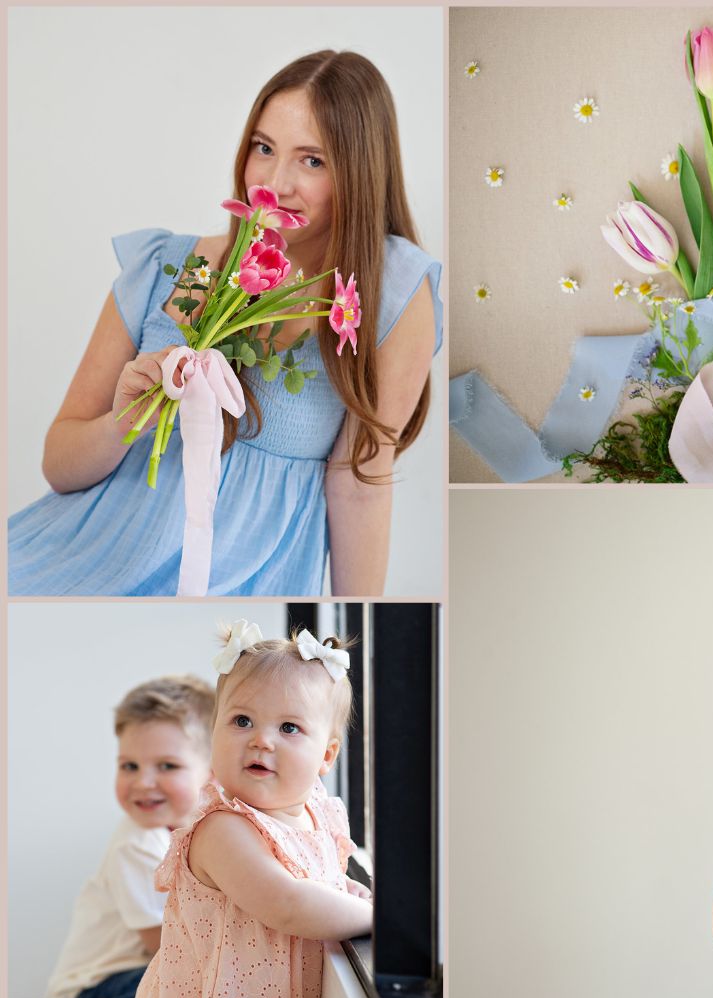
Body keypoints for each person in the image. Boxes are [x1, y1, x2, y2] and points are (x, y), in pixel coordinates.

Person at [9, 50, 443, 596]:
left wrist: (355, 627)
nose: (274, 183)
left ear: (359, 173)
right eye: (264, 148)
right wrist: (126, 421)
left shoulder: (391, 292)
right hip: (76, 565)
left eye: (313, 160)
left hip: (240, 596)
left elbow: (360, 486)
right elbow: (58, 463)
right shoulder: (170, 266)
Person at [104, 622, 372, 998]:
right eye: (242, 721)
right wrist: (380, 916)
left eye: (289, 727)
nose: (261, 740)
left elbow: (318, 881)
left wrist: (347, 890)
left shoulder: (317, 815)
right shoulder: (222, 829)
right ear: (214, 734)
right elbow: (288, 903)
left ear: (327, 755)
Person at [44, 676, 212, 998]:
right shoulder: (137, 844)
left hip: (126, 981)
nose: (143, 782)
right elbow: (165, 947)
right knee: (196, 992)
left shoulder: (203, 828)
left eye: (167, 765)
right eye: (129, 765)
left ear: (212, 769)